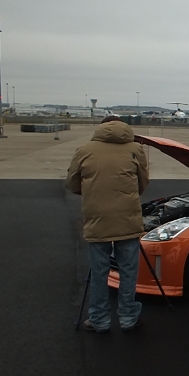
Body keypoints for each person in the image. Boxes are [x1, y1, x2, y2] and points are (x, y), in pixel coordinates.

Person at [66, 116, 150, 332]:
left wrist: (92, 193)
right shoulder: (135, 149)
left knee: (99, 272)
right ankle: (129, 318)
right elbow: (143, 182)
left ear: (101, 127)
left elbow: (72, 183)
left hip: (97, 218)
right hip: (127, 217)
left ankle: (99, 320)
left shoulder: (85, 149)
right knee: (128, 271)